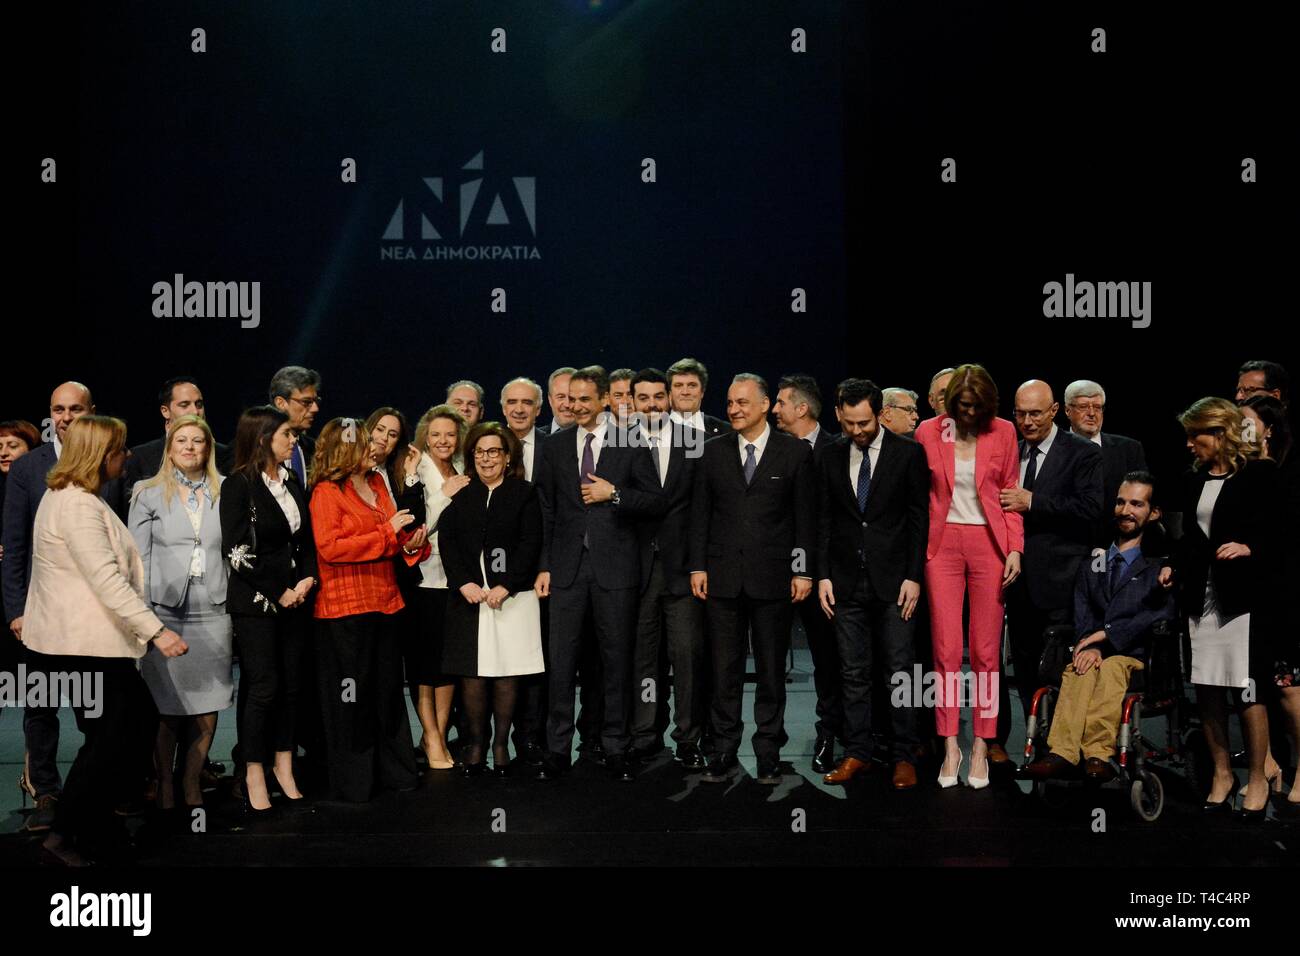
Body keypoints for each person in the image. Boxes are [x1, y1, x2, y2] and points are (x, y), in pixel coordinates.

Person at [21, 416, 187, 865]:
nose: (128, 456)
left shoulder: (77, 499)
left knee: (116, 737)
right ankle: (66, 834)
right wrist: (157, 631)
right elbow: (106, 580)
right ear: (100, 456)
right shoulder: (75, 506)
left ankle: (92, 828)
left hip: (88, 646)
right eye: (121, 450)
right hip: (83, 648)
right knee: (118, 738)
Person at [533, 366, 664, 781]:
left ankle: (615, 746)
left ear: (605, 399)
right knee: (561, 663)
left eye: (584, 399)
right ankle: (557, 748)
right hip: (567, 571)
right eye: (570, 399)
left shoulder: (630, 439)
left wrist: (615, 494)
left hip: (616, 570)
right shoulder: (553, 446)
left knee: (616, 662)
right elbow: (547, 511)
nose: (574, 406)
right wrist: (544, 566)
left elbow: (654, 501)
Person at [1160, 398, 1283, 820]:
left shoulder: (1260, 474)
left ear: (1220, 433)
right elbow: (1190, 538)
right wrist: (1174, 567)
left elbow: (1283, 532)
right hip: (1202, 595)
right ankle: (1222, 773)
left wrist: (1253, 547)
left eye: (1197, 435)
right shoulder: (1193, 478)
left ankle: (1258, 778)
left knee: (1247, 688)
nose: (1191, 444)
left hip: (1242, 596)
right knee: (1208, 687)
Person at [690, 373, 815, 784]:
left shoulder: (793, 453)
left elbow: (804, 518)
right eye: (729, 403)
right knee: (723, 671)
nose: (734, 409)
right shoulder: (711, 452)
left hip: (774, 579)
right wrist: (698, 566)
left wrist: (802, 569)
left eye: (743, 402)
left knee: (770, 671)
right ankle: (724, 749)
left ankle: (768, 753)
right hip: (722, 579)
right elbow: (700, 516)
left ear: (765, 406)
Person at [1023, 473, 1175, 781]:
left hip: (1138, 653)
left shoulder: (1160, 564)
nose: (1125, 510)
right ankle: (1061, 753)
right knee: (1079, 668)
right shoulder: (1095, 560)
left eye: (1136, 503)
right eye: (1120, 502)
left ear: (1154, 512)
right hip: (1096, 651)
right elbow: (1083, 611)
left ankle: (1098, 753)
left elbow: (1162, 614)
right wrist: (1089, 644)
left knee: (1110, 669)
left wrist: (1108, 636)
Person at [913, 365, 1023, 788]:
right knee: (944, 650)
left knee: (986, 653)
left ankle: (981, 742)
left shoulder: (1004, 432)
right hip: (940, 546)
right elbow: (920, 495)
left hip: (989, 544)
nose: (969, 412)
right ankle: (949, 744)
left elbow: (1010, 492)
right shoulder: (927, 431)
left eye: (976, 407)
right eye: (962, 405)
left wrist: (1014, 547)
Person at [816, 379, 929, 789]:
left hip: (896, 581)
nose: (857, 431)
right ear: (838, 416)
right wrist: (823, 574)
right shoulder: (829, 456)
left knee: (899, 671)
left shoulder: (909, 454)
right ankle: (858, 753)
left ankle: (903, 755)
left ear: (880, 414)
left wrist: (914, 576)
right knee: (852, 672)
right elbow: (824, 519)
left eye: (863, 423)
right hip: (845, 582)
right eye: (848, 424)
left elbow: (919, 520)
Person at [309, 417, 427, 802]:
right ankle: (355, 780)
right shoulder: (326, 492)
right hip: (346, 608)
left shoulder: (377, 483)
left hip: (386, 600)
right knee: (352, 696)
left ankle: (394, 771)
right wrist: (387, 532)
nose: (374, 447)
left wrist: (408, 544)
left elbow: (392, 540)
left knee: (387, 691)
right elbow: (331, 548)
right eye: (364, 442)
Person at [3, 382, 97, 832]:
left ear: (90, 411)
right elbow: (15, 546)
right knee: (41, 707)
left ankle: (96, 788)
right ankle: (46, 793)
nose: (65, 416)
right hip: (41, 611)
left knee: (95, 708)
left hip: (96, 613)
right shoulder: (27, 468)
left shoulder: (113, 460)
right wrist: (15, 610)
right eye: (58, 409)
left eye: (75, 408)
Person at [129, 415, 233, 810]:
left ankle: (191, 781)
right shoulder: (147, 492)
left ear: (208, 449)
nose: (190, 447)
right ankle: (165, 785)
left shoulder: (226, 489)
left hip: (214, 608)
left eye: (198, 442)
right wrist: (145, 617)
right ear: (169, 449)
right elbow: (138, 558)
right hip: (164, 613)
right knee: (166, 705)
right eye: (182, 441)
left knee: (209, 701)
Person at [219, 406, 318, 811]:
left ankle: (284, 764)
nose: (294, 441)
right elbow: (236, 552)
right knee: (264, 688)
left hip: (298, 598)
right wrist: (280, 590)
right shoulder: (238, 484)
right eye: (286, 435)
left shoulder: (292, 479)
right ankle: (254, 771)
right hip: (257, 603)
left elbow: (305, 540)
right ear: (263, 439)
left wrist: (307, 580)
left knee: (293, 686)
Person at [999, 380, 1103, 760]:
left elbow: (1091, 509)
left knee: (1060, 666)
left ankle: (1066, 745)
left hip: (1062, 582)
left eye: (1035, 413)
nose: (1026, 421)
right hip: (1018, 581)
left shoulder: (1081, 452)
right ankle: (1037, 741)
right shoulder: (1010, 450)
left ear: (1055, 410)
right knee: (1025, 666)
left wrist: (1034, 501)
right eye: (1020, 413)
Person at [439, 423, 545, 774]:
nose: (486, 459)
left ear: (507, 456)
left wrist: (507, 585)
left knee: (506, 673)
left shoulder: (524, 492)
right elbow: (448, 543)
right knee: (474, 673)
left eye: (494, 452)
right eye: (479, 452)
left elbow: (531, 542)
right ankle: (476, 745)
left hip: (511, 599)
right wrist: (463, 583)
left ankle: (501, 746)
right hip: (471, 598)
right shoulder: (462, 493)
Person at [629, 368, 708, 768]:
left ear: (669, 398)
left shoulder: (694, 441)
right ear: (633, 401)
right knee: (644, 659)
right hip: (637, 569)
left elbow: (701, 508)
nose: (653, 404)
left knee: (687, 656)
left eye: (659, 396)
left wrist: (699, 564)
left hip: (683, 569)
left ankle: (689, 738)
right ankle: (646, 734)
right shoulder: (618, 441)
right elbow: (614, 502)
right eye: (644, 398)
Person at [772, 373, 840, 772]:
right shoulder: (772, 448)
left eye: (780, 402)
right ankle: (768, 743)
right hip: (774, 573)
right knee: (769, 663)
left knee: (829, 662)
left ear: (802, 408)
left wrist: (818, 572)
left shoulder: (836, 449)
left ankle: (829, 733)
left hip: (825, 576)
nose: (774, 409)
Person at [404, 405, 470, 770]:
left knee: (448, 666)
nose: (443, 441)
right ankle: (429, 736)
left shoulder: (462, 468)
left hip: (457, 581)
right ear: (424, 438)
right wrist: (445, 493)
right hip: (425, 580)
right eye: (436, 435)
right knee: (424, 667)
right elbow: (414, 534)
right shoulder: (415, 471)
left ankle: (440, 736)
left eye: (449, 434)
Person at [114, 377, 234, 520]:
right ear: (165, 411)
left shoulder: (224, 454)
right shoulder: (139, 457)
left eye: (199, 404)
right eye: (185, 405)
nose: (195, 411)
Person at [1063, 380, 1147, 547]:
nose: (1092, 413)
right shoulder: (1053, 451)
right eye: (1084, 407)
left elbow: (1143, 499)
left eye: (1097, 407)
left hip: (1117, 545)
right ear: (1067, 410)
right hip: (1066, 548)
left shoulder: (1130, 449)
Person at [269, 366, 323, 487]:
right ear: (281, 403)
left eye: (316, 401)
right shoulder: (252, 451)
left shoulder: (316, 450)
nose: (315, 409)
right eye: (306, 402)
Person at [501, 377, 547, 482]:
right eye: (512, 402)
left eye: (527, 402)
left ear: (538, 409)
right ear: (504, 408)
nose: (519, 410)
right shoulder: (490, 444)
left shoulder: (552, 446)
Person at [667, 357, 728, 436]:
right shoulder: (654, 429)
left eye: (692, 385)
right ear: (669, 393)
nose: (685, 392)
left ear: (702, 391)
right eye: (678, 386)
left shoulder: (726, 431)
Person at [546, 367, 577, 434]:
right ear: (550, 399)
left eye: (572, 398)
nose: (567, 404)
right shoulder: (533, 440)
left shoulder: (599, 440)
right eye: (561, 397)